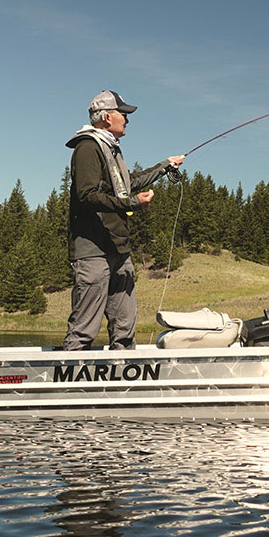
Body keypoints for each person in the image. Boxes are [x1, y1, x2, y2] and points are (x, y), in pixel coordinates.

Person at [64, 90, 184, 350]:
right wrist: (133, 204)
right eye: (124, 114)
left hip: (118, 249)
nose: (127, 120)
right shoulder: (87, 147)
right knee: (85, 329)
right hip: (92, 251)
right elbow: (87, 196)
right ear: (107, 117)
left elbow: (128, 184)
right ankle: (66, 385)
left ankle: (124, 382)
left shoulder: (111, 149)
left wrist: (165, 166)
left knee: (124, 329)